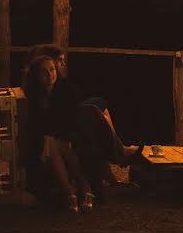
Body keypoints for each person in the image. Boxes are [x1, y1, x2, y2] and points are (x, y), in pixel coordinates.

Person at [26, 44, 141, 193]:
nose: (62, 64)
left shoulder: (58, 83)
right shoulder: (45, 84)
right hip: (64, 125)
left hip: (67, 116)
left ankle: (118, 152)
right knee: (94, 112)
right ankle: (119, 154)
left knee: (99, 107)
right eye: (59, 61)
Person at [22, 55, 93, 212]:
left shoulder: (68, 90)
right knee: (51, 142)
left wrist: (62, 137)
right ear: (36, 75)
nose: (49, 75)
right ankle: (81, 190)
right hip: (47, 141)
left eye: (52, 70)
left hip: (70, 137)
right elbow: (36, 126)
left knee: (64, 145)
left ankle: (73, 193)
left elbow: (73, 121)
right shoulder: (33, 95)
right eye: (44, 71)